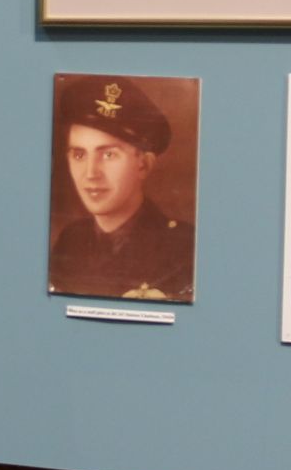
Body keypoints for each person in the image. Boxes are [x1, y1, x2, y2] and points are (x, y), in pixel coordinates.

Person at [46, 76, 193, 302]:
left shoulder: (183, 248)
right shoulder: (70, 240)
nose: (90, 173)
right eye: (79, 154)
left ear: (144, 165)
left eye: (108, 154)